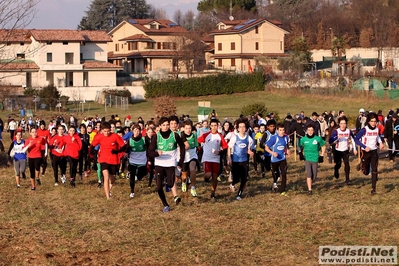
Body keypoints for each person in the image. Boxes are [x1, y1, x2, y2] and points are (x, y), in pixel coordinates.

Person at [148, 117, 185, 212]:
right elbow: (150, 152)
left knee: (170, 183)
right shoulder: (156, 136)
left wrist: (181, 161)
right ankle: (166, 205)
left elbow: (182, 147)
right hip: (159, 163)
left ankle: (168, 184)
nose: (165, 127)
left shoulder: (175, 135)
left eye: (167, 125)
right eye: (163, 125)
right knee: (159, 187)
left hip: (171, 163)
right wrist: (157, 153)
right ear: (159, 126)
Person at [91, 122, 126, 199]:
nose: (106, 133)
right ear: (102, 130)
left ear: (110, 130)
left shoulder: (115, 136)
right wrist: (92, 152)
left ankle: (109, 189)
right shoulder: (99, 137)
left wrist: (117, 152)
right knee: (106, 177)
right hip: (103, 159)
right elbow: (93, 145)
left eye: (108, 131)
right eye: (105, 131)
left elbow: (123, 146)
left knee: (113, 179)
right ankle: (108, 198)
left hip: (114, 160)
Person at [198, 118, 228, 200]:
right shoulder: (206, 135)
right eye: (212, 126)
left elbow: (225, 147)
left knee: (215, 177)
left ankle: (212, 193)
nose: (214, 127)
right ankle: (206, 178)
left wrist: (220, 152)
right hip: (207, 158)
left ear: (218, 126)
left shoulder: (220, 136)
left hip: (216, 159)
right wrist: (199, 148)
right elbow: (198, 141)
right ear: (210, 126)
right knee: (209, 174)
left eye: (215, 125)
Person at [354, 112, 384, 195]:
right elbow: (356, 139)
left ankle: (373, 189)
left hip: (374, 151)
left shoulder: (377, 129)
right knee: (366, 172)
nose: (374, 123)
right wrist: (364, 146)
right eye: (372, 121)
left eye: (375, 121)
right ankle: (361, 165)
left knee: (374, 169)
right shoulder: (364, 130)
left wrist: (381, 143)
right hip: (365, 152)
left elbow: (378, 137)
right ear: (368, 122)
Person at [227, 118, 254, 200]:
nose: (242, 128)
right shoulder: (235, 138)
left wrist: (250, 152)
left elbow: (248, 149)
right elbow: (229, 147)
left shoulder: (249, 139)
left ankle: (239, 194)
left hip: (244, 161)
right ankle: (232, 183)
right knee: (236, 178)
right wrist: (229, 158)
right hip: (235, 161)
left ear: (246, 128)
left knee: (244, 179)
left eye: (243, 127)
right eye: (240, 127)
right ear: (237, 129)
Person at [328, 116, 357, 185]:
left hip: (345, 150)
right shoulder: (336, 131)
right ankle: (336, 169)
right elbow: (330, 140)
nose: (343, 125)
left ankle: (347, 179)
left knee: (347, 163)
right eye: (341, 123)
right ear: (339, 124)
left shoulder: (348, 131)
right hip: (337, 150)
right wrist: (337, 137)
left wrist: (354, 149)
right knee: (338, 164)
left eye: (344, 123)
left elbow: (353, 139)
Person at [299, 124, 326, 195]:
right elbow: (299, 146)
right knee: (309, 174)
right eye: (309, 130)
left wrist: (322, 155)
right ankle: (309, 190)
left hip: (315, 158)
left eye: (311, 130)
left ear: (314, 131)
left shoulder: (318, 138)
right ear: (306, 131)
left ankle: (312, 181)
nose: (310, 131)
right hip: (307, 158)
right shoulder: (303, 139)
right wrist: (300, 153)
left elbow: (323, 146)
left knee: (314, 176)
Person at [264, 123, 290, 195]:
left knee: (284, 173)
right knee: (275, 173)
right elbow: (266, 148)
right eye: (280, 130)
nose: (282, 131)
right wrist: (272, 153)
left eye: (283, 130)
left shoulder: (286, 137)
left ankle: (282, 190)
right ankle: (274, 183)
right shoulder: (274, 138)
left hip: (282, 159)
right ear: (277, 131)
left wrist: (287, 150)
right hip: (274, 159)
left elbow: (286, 145)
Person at [127, 124, 149, 199]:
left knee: (141, 175)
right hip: (133, 160)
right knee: (132, 177)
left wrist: (149, 157)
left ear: (140, 131)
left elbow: (149, 147)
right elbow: (126, 148)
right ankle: (132, 191)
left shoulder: (144, 139)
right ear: (132, 131)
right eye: (135, 130)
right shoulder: (130, 140)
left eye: (138, 130)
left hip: (142, 161)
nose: (136, 132)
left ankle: (138, 177)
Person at [180, 120, 199, 197]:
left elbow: (196, 145)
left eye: (190, 128)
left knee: (192, 170)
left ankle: (193, 187)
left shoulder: (194, 135)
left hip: (193, 156)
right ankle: (184, 182)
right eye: (187, 128)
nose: (188, 130)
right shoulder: (181, 135)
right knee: (184, 176)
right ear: (183, 128)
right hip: (184, 157)